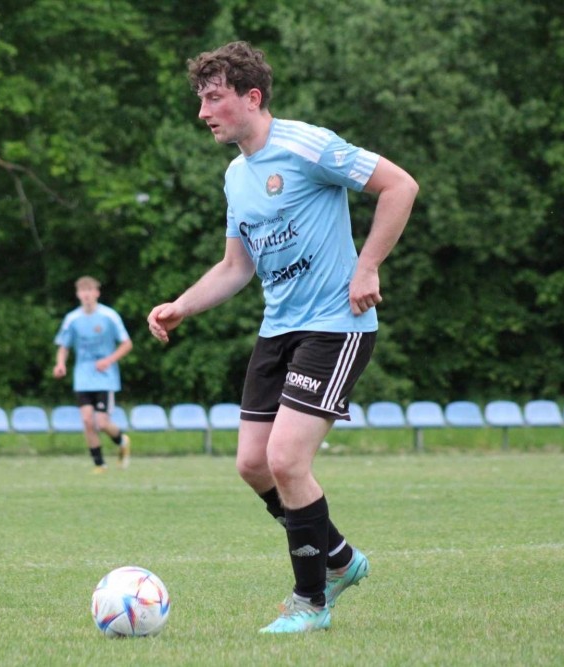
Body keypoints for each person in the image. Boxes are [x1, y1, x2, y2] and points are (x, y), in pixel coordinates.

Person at [147, 41, 418, 633]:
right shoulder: (235, 176)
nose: (203, 112)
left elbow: (400, 186)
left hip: (335, 325)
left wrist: (367, 267)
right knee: (253, 464)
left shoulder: (306, 145)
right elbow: (236, 267)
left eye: (214, 98)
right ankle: (339, 557)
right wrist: (182, 306)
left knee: (286, 459)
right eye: (201, 100)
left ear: (252, 97)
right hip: (278, 331)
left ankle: (311, 602)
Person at [53, 275, 133, 472]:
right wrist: (60, 364)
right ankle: (99, 465)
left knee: (102, 423)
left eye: (90, 290)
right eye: (83, 291)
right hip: (83, 377)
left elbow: (127, 344)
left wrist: (108, 360)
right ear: (78, 294)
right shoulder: (72, 319)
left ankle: (122, 440)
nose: (86, 295)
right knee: (88, 421)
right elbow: (64, 346)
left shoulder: (109, 316)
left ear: (97, 293)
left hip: (105, 378)